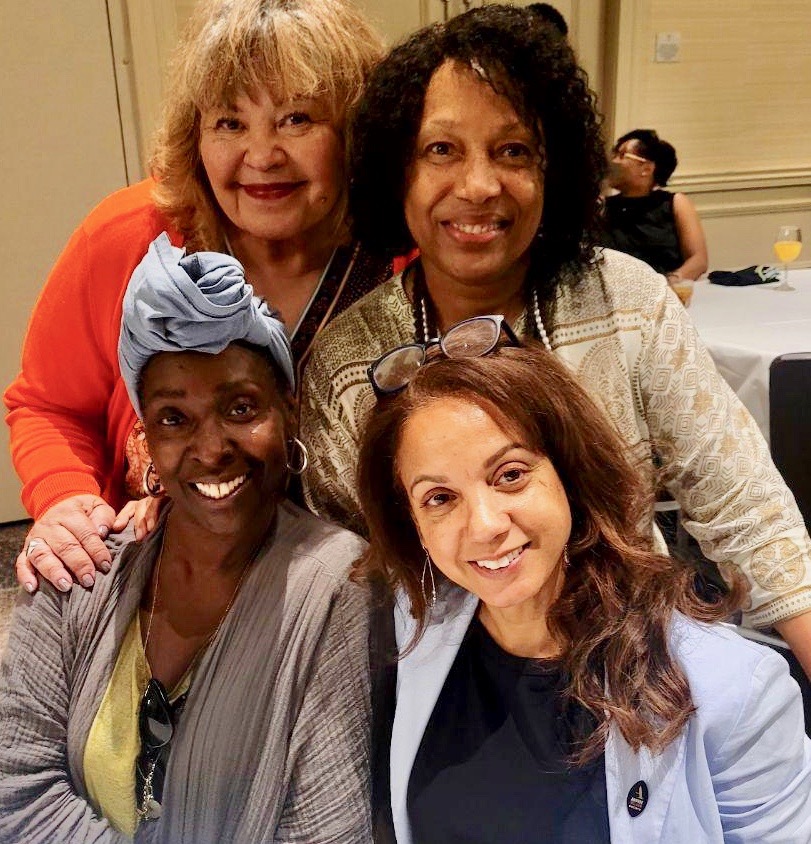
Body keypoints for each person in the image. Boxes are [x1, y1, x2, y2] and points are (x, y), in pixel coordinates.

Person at [298, 4, 811, 678]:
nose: (480, 186)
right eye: (441, 150)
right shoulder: (350, 364)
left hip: (641, 672)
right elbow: (360, 587)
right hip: (450, 698)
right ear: (398, 172)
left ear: (554, 169)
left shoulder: (625, 301)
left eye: (512, 151)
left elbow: (744, 506)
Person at [357, 340, 811, 843]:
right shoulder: (404, 638)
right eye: (440, 498)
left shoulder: (732, 690)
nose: (484, 525)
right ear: (413, 522)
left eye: (509, 475)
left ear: (569, 476)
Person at [5, 0, 387, 595]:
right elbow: (49, 406)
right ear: (195, 135)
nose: (261, 157)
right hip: (166, 582)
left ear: (355, 132)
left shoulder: (402, 258)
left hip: (354, 594)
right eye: (230, 123)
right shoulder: (127, 237)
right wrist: (68, 499)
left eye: (296, 119)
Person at [0, 234, 371, 843]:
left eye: (242, 408)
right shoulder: (78, 567)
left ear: (291, 411)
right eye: (175, 419)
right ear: (144, 438)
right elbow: (19, 789)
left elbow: (327, 831)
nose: (211, 448)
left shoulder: (339, 588)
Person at [603, 128, 708, 283]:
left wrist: (670, 282)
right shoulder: (604, 206)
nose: (614, 161)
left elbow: (698, 260)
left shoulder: (675, 203)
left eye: (622, 155)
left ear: (646, 169)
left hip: (665, 292)